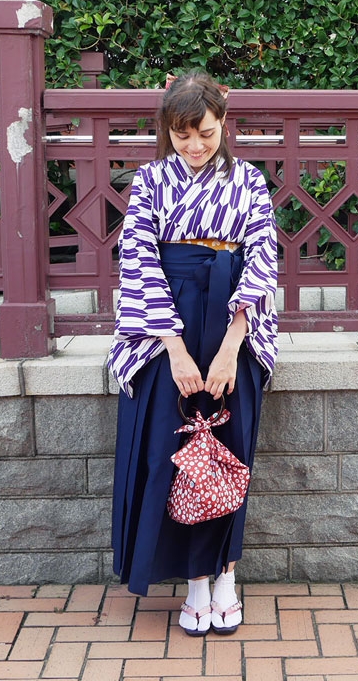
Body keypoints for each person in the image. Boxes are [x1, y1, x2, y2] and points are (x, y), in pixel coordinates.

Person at [108, 70, 278, 637]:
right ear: (168, 130)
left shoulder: (250, 181)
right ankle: (194, 583)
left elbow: (262, 259)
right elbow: (138, 259)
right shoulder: (152, 181)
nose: (196, 146)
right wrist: (175, 350)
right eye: (183, 135)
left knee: (230, 450)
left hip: (233, 314)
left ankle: (226, 575)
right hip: (169, 317)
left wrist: (233, 346)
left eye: (205, 132)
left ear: (224, 121)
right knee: (173, 452)